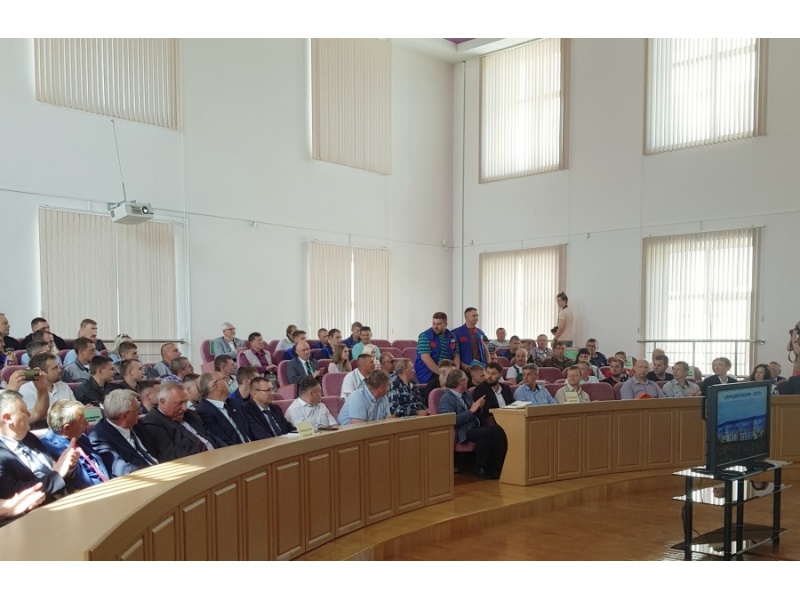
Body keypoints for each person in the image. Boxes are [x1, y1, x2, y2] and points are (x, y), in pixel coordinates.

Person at [0, 390, 78, 504]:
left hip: (68, 498)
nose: (29, 414)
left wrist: (69, 466)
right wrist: (57, 474)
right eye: (24, 411)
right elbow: (15, 494)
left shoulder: (30, 438)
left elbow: (54, 469)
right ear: (8, 418)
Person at [438, 370, 507, 480]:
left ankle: (497, 466)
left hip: (475, 426)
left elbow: (475, 413)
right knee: (485, 433)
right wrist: (471, 411)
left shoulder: (466, 394)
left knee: (498, 430)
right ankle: (481, 467)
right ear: (461, 382)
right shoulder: (446, 399)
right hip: (462, 430)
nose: (468, 382)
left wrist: (479, 407)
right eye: (466, 380)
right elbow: (450, 420)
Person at [142, 382, 223, 461]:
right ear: (163, 402)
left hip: (218, 457)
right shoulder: (153, 422)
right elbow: (172, 455)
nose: (184, 408)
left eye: (185, 402)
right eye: (180, 403)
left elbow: (211, 436)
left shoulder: (190, 414)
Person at [40, 399, 109, 490]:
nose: (87, 424)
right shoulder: (47, 448)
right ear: (67, 428)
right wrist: (71, 468)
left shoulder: (81, 437)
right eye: (83, 423)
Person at [89, 389, 158, 477]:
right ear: (125, 416)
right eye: (137, 410)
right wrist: (153, 471)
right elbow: (122, 469)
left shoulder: (136, 424)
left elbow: (154, 449)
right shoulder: (100, 438)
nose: (140, 412)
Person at [19, 353, 75, 428]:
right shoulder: (25, 390)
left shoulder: (64, 386)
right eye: (55, 368)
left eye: (58, 366)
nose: (59, 370)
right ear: (41, 372)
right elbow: (32, 418)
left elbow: (74, 410)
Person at [195, 372, 251, 445]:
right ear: (216, 386)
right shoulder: (204, 411)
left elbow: (250, 427)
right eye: (224, 379)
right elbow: (222, 440)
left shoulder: (233, 403)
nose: (228, 382)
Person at [414, 312, 460, 385]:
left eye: (439, 324)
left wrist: (455, 373)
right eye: (434, 324)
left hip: (447, 371)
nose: (435, 327)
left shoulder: (452, 337)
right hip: (428, 373)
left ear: (445, 324)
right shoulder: (425, 336)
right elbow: (425, 358)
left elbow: (456, 356)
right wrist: (441, 373)